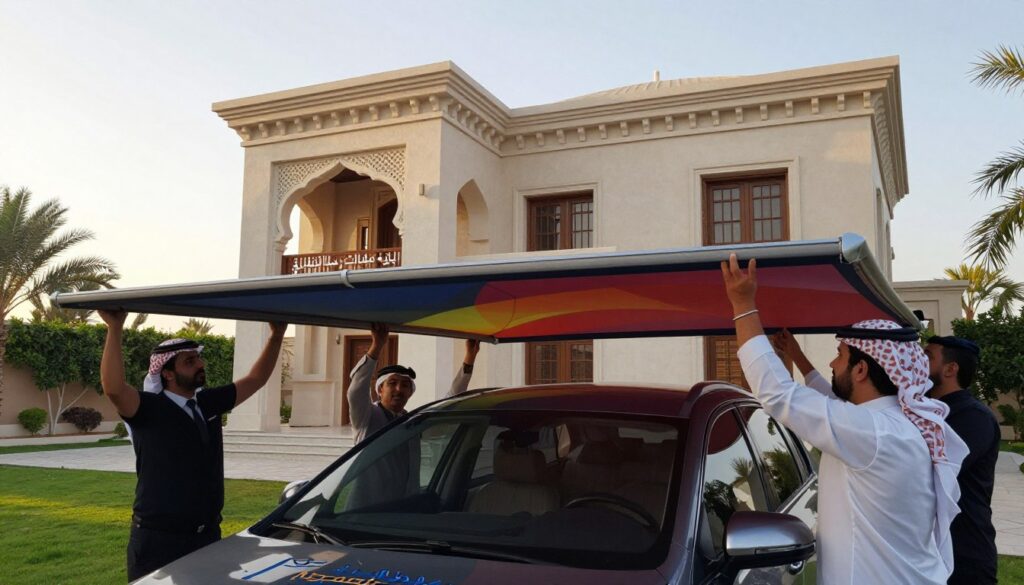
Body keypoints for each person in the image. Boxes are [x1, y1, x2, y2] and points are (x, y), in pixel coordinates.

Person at [721, 254, 967, 584]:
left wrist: (743, 304)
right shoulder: (890, 426)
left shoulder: (874, 434)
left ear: (862, 370)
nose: (833, 363)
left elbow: (779, 395)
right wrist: (795, 356)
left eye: (840, 356)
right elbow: (829, 401)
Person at [98, 310, 286, 581]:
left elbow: (255, 380)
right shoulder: (148, 408)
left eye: (198, 358)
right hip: (159, 539)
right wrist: (115, 327)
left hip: (207, 535)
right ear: (168, 373)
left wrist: (276, 335)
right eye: (190, 361)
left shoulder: (207, 403)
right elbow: (114, 389)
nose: (200, 364)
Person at [925, 335, 999, 585]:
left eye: (928, 356)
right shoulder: (929, 411)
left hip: (965, 554)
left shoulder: (973, 418)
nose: (918, 362)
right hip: (937, 551)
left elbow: (927, 470)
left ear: (950, 368)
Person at [347, 322, 479, 442]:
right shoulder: (367, 417)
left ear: (410, 393)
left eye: (405, 385)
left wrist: (469, 358)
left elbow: (449, 405)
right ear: (380, 390)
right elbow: (356, 391)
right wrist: (376, 346)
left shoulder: (412, 422)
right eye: (392, 383)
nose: (399, 389)